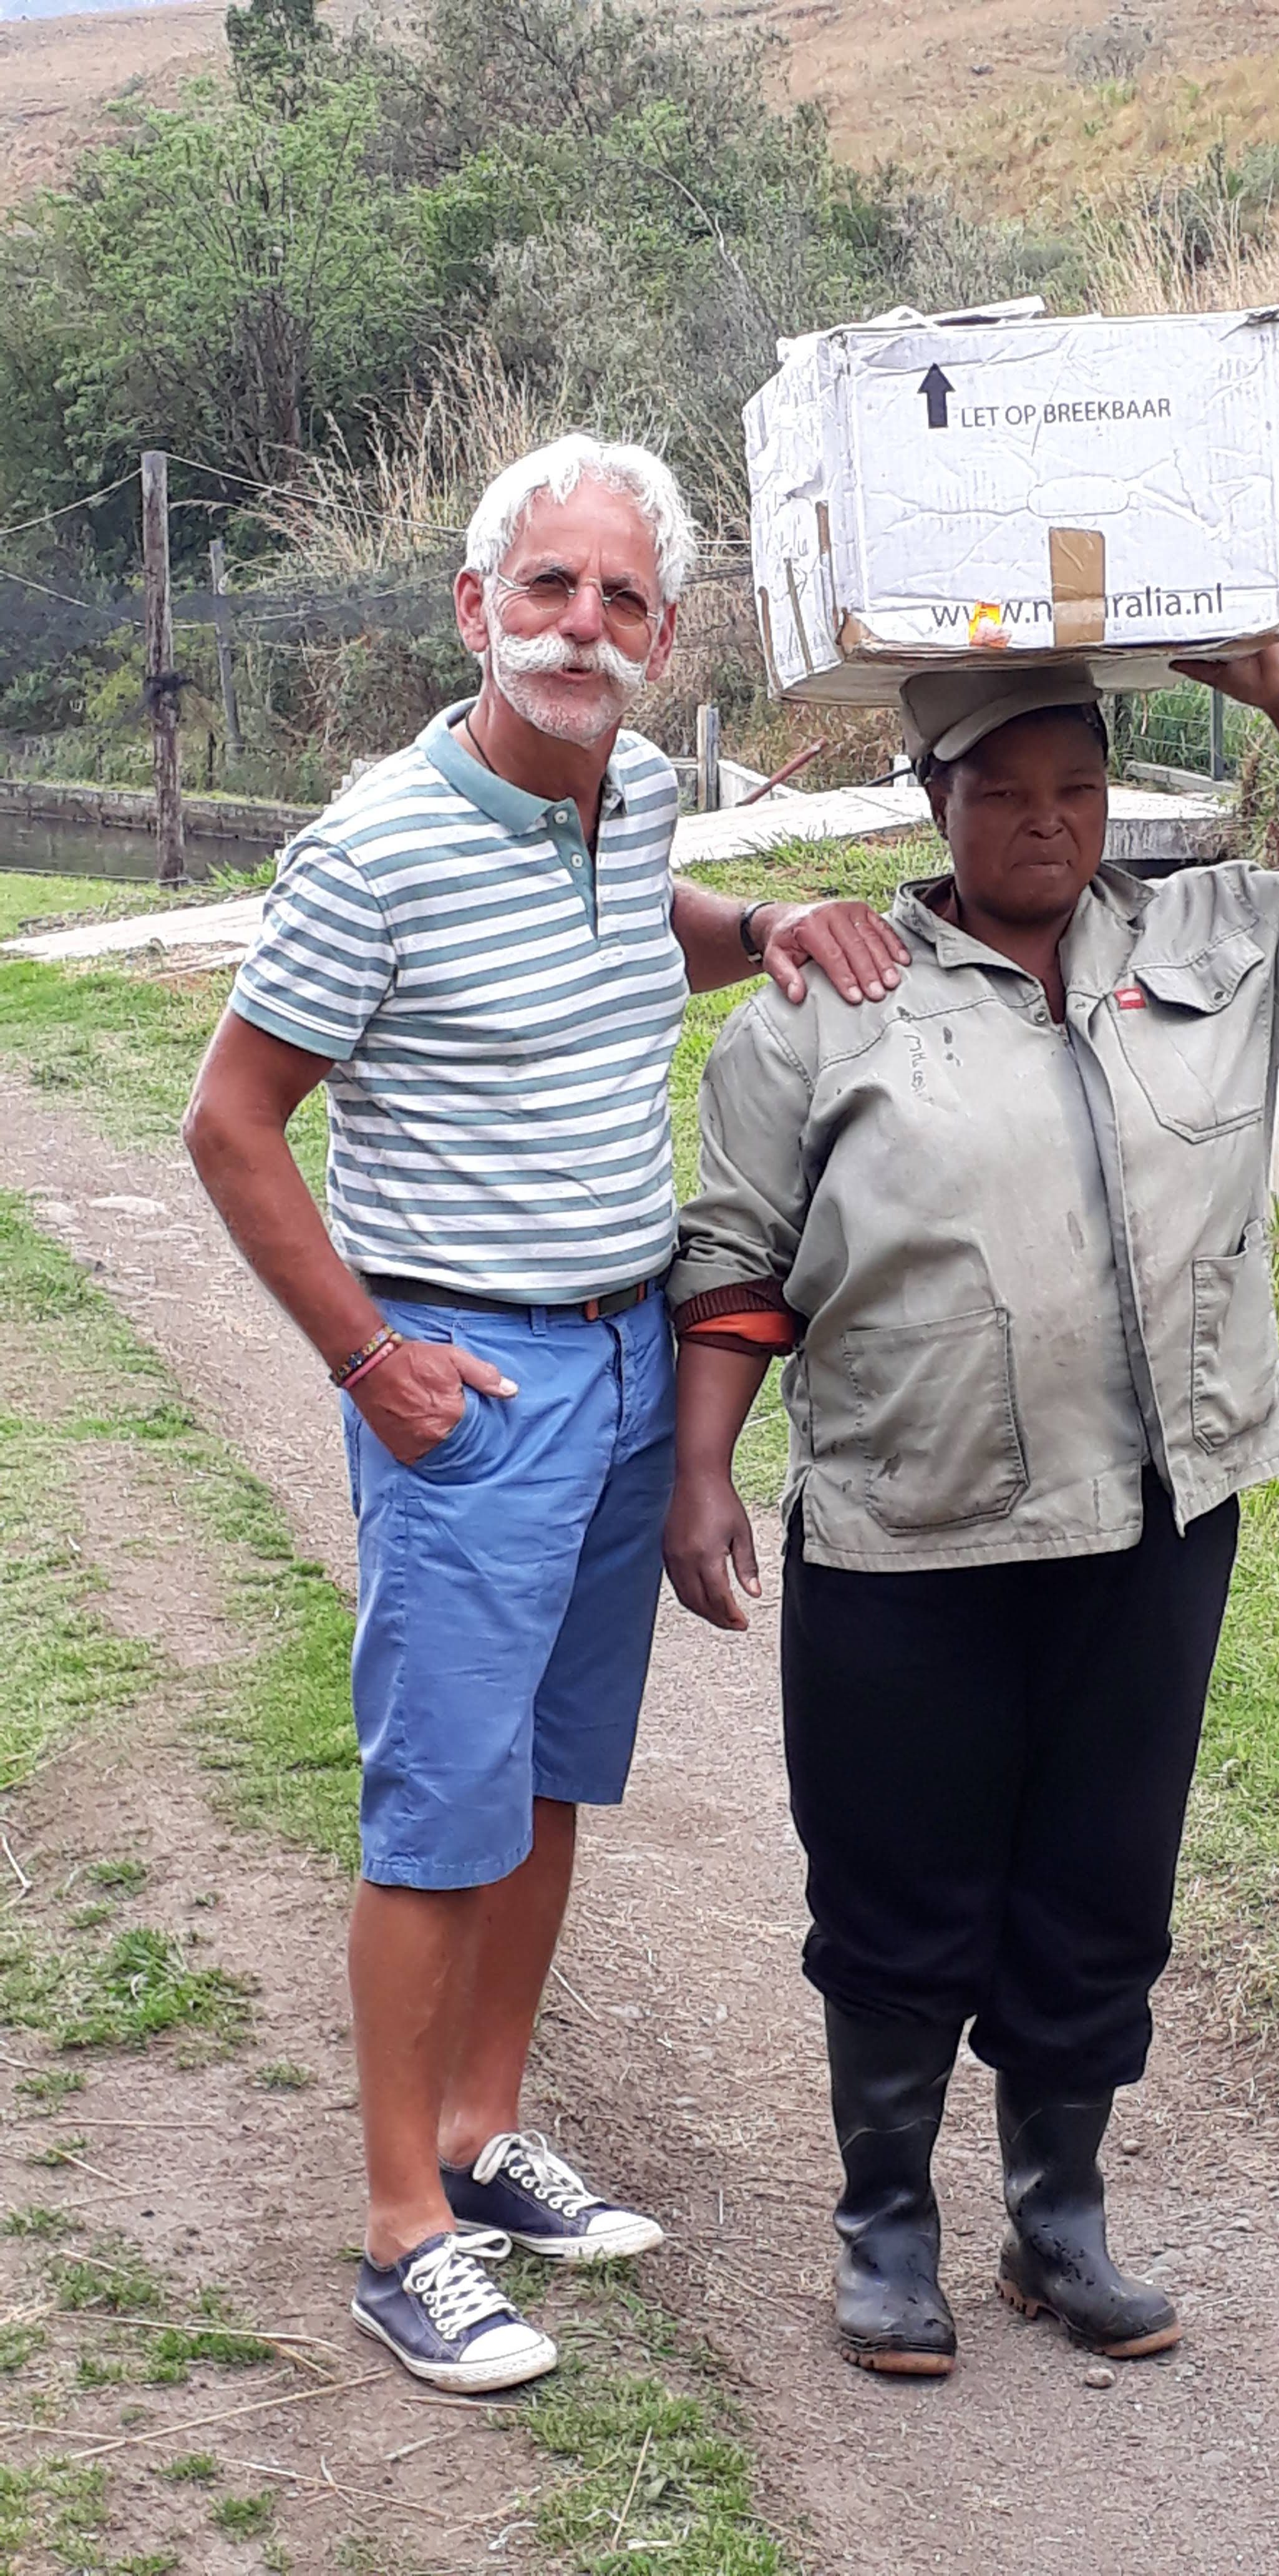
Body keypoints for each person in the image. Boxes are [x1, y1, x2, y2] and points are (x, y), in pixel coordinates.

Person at [183, 434, 908, 2395]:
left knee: (552, 1780)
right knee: (440, 1807)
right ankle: (398, 2233)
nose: (582, 627)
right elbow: (230, 1125)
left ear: (662, 641)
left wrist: (759, 932)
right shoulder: (375, 852)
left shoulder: (633, 789)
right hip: (467, 1385)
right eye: (549, 588)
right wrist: (368, 1357)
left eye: (621, 599)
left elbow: (639, 913)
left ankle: (481, 2136)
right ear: (477, 609)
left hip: (621, 1359)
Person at [662, 638, 1279, 2378]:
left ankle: (1059, 2216)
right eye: (1006, 793)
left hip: (1154, 1519)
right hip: (910, 1521)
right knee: (896, 1882)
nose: (1048, 823)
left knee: (1103, 1877)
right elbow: (734, 1264)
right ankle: (887, 2226)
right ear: (934, 802)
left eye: (1080, 790)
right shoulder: (826, 1003)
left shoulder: (1217, 947)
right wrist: (701, 1470)